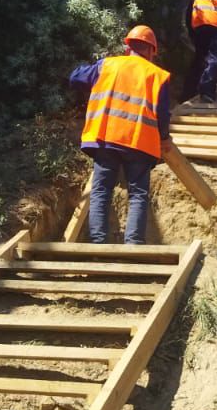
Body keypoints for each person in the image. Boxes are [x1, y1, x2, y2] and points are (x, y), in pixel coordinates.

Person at [68, 25, 174, 245]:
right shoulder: (157, 76)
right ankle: (133, 244)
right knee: (138, 195)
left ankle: (98, 243)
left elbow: (75, 78)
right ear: (152, 51)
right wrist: (164, 138)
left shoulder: (108, 65)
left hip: (105, 140)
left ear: (128, 47)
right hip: (139, 144)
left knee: (101, 191)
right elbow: (162, 115)